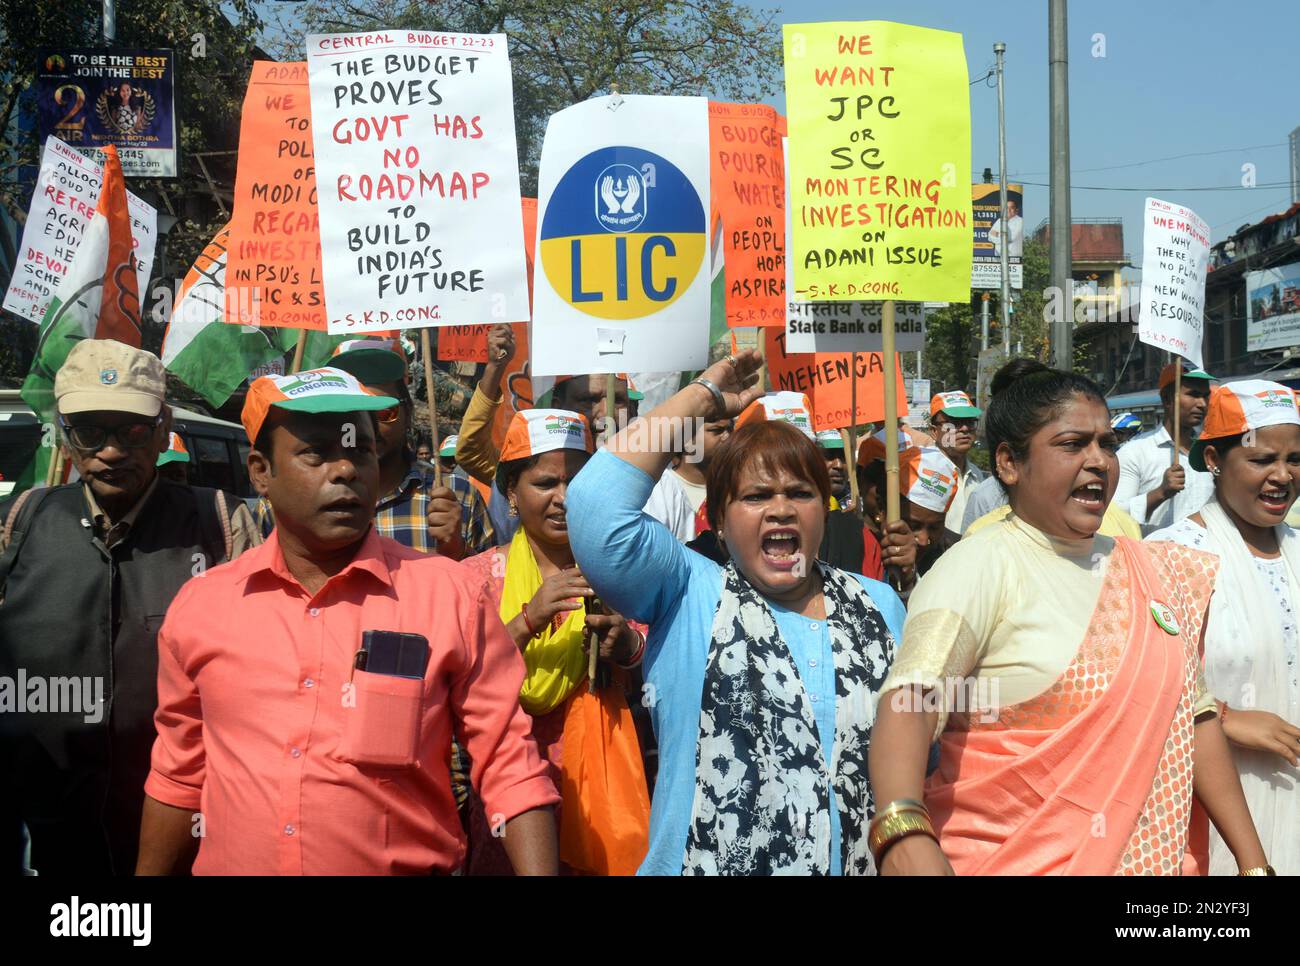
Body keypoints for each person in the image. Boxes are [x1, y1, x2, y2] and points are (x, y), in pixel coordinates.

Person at [136, 367, 559, 875]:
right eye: (316, 453)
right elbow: (178, 778)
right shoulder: (201, 608)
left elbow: (510, 766)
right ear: (260, 472)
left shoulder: (451, 596)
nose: (346, 470)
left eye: (360, 451)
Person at [869, 359, 1271, 876]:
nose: (1098, 461)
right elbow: (912, 699)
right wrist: (902, 829)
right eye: (1072, 444)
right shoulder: (980, 564)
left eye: (1107, 444)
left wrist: (1253, 861)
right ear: (1010, 463)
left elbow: (1193, 717)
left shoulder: (1150, 566)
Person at [566, 351, 907, 875]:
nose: (781, 509)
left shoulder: (878, 606)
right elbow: (595, 504)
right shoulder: (687, 591)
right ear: (720, 522)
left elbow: (914, 761)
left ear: (823, 510)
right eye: (755, 495)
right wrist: (703, 395)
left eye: (800, 493)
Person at [0, 339, 258, 876]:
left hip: (189, 830)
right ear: (65, 437)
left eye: (133, 430)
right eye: (90, 431)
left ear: (164, 427)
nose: (111, 450)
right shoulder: (17, 524)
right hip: (44, 837)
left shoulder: (223, 525)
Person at [459, 409, 650, 875]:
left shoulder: (624, 574)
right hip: (511, 803)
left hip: (604, 800)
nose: (564, 499)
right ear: (510, 494)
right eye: (546, 483)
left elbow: (660, 667)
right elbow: (458, 679)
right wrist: (528, 620)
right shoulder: (475, 579)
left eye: (577, 482)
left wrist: (624, 644)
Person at [1147, 380, 1300, 875]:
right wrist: (1228, 720)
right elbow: (1140, 687)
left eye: (1295, 459)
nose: (1283, 476)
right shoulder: (1171, 556)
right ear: (1213, 459)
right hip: (1210, 811)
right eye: (1262, 460)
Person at [455, 324, 694, 542]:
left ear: (633, 409)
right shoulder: (533, 465)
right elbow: (471, 453)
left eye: (616, 399)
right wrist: (495, 369)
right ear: (559, 405)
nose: (604, 412)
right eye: (588, 400)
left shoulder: (662, 485)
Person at [269, 338, 494, 561]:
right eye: (355, 413)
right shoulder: (290, 499)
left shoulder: (455, 494)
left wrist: (456, 551)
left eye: (384, 412)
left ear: (407, 414)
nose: (370, 427)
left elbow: (494, 588)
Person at [1114, 362, 1214, 530]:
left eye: (1206, 396)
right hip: (1152, 554)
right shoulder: (1134, 453)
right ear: (1167, 399)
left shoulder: (1210, 454)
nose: (1202, 404)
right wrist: (1160, 493)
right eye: (1193, 394)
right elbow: (1114, 517)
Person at [928, 390, 987, 533]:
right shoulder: (925, 473)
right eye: (954, 423)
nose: (965, 428)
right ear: (934, 431)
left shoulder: (976, 474)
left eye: (969, 422)